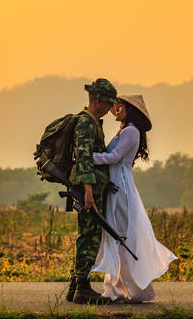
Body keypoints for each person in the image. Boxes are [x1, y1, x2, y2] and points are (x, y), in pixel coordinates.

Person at [90, 95, 177, 303]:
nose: (117, 109)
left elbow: (114, 157)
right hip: (116, 185)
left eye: (122, 107)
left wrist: (88, 158)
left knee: (120, 237)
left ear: (132, 111)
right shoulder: (124, 130)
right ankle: (118, 289)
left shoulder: (131, 131)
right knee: (118, 237)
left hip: (120, 188)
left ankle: (122, 290)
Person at [66, 78, 119, 305]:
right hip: (89, 189)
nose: (110, 109)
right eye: (107, 103)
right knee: (90, 237)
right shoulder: (87, 123)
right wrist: (88, 191)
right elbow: (84, 160)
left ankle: (76, 286)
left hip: (90, 187)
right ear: (97, 100)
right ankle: (83, 289)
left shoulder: (92, 121)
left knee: (86, 236)